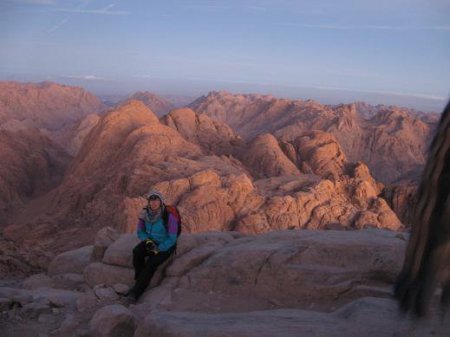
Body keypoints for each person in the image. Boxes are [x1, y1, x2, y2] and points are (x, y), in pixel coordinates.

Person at [126, 189, 178, 303]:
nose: (154, 203)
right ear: (148, 202)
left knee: (151, 264)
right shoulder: (145, 214)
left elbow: (172, 238)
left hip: (165, 246)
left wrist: (160, 248)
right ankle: (140, 280)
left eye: (156, 200)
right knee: (137, 252)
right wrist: (148, 242)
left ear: (161, 202)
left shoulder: (168, 217)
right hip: (151, 242)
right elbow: (140, 232)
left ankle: (135, 293)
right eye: (151, 200)